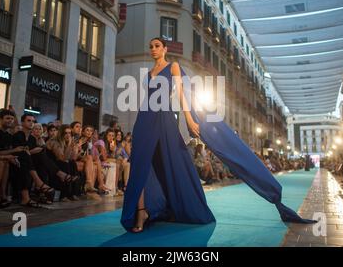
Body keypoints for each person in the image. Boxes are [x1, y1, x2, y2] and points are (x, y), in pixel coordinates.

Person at [121, 37, 315, 233]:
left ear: (165, 49)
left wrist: (189, 119)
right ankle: (141, 211)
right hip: (144, 117)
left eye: (157, 46)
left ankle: (180, 205)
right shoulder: (148, 73)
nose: (153, 49)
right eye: (151, 47)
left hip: (164, 120)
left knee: (177, 161)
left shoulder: (174, 67)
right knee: (139, 164)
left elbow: (181, 94)